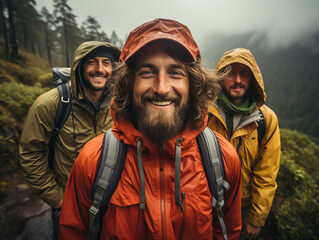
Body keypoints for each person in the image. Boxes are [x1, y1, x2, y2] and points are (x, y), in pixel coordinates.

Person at [59, 18, 242, 240]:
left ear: (194, 85)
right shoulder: (93, 160)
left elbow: (228, 232)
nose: (162, 88)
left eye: (176, 72)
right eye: (147, 72)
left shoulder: (222, 159)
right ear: (129, 83)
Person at [19, 41, 121, 239]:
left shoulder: (121, 105)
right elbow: (31, 155)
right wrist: (58, 200)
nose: (100, 69)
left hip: (112, 207)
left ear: (113, 68)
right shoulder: (50, 104)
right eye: (92, 62)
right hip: (69, 207)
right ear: (79, 66)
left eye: (106, 63)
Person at [207, 48, 281, 239]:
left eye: (244, 73)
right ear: (221, 77)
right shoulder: (204, 112)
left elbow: (266, 173)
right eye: (230, 73)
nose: (237, 79)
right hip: (205, 203)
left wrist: (256, 218)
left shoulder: (266, 119)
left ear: (253, 77)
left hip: (243, 208)